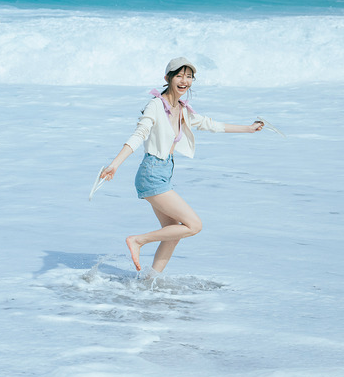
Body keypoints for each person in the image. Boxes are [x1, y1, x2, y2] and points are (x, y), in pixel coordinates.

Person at [100, 57, 264, 275]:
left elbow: (209, 124)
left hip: (164, 173)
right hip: (151, 173)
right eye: (179, 75)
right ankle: (138, 240)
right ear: (167, 78)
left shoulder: (182, 109)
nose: (184, 81)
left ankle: (149, 282)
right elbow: (139, 134)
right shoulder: (156, 105)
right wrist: (115, 164)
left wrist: (248, 129)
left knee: (174, 232)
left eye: (189, 77)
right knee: (194, 225)